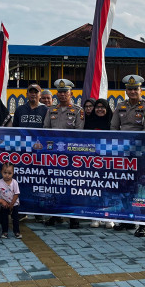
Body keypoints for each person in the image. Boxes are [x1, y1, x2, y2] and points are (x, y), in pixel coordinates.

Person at [110, 74, 145, 232]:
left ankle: (144, 223)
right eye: (129, 89)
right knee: (125, 187)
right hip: (124, 154)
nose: (132, 92)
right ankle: (127, 219)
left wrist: (129, 143)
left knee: (143, 189)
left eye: (135, 89)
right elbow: (114, 128)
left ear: (140, 90)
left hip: (142, 155)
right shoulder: (120, 106)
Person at [43, 79, 84, 228]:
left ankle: (74, 217)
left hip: (71, 156)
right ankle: (55, 215)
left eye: (65, 92)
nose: (62, 95)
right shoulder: (51, 110)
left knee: (71, 186)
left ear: (71, 93)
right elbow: (46, 130)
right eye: (59, 92)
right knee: (55, 186)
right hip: (54, 155)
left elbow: (79, 133)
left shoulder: (78, 111)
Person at [84, 98, 113, 228]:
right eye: (97, 107)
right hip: (92, 160)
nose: (100, 109)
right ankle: (94, 216)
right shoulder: (89, 122)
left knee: (107, 188)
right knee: (93, 188)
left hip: (108, 161)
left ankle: (108, 216)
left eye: (102, 107)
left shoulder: (112, 122)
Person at [0, 161, 21, 239]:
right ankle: (4, 232)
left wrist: (12, 204)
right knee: (4, 218)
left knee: (15, 218)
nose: (7, 175)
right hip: (4, 204)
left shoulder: (14, 183)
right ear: (1, 172)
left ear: (13, 173)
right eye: (5, 173)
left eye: (9, 173)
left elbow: (16, 194)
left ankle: (17, 232)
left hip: (14, 204)